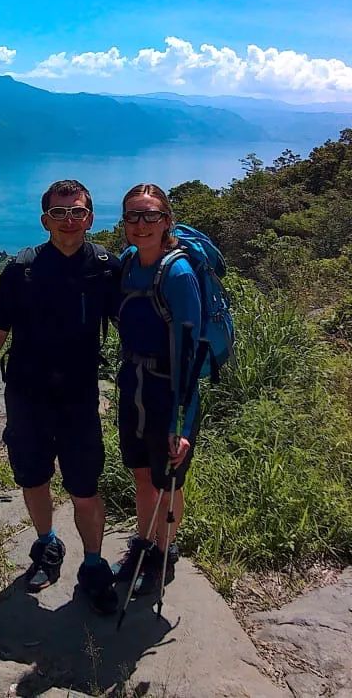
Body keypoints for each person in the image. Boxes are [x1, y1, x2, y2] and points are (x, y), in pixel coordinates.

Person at [0, 179, 121, 614]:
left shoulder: (104, 268)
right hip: (26, 393)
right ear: (45, 220)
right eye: (59, 212)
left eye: (77, 211)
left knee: (84, 487)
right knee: (33, 478)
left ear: (90, 218)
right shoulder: (21, 270)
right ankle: (47, 545)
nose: (68, 220)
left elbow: (127, 326)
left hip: (78, 397)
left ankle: (94, 565)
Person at [111, 183, 202, 596]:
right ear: (125, 223)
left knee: (168, 481)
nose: (142, 224)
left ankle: (164, 551)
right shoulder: (130, 262)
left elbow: (192, 354)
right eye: (133, 216)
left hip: (168, 389)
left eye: (151, 216)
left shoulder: (178, 274)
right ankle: (144, 543)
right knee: (142, 474)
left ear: (167, 220)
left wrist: (182, 424)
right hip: (133, 383)